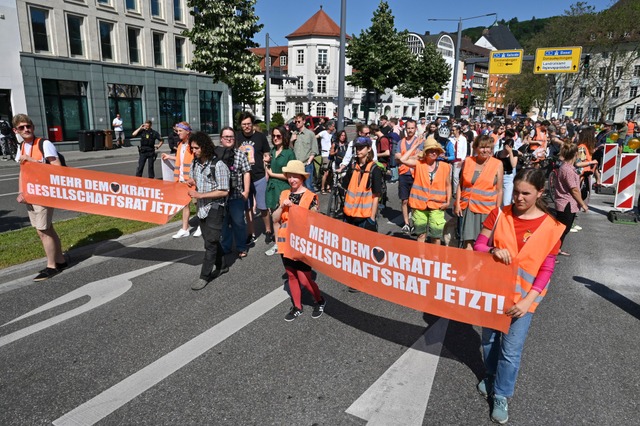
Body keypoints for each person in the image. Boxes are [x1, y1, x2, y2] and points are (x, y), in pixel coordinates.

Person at [473, 168, 565, 424]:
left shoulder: (551, 227)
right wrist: (492, 250)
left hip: (524, 299)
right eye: (516, 192)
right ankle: (491, 375)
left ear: (540, 193)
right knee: (489, 341)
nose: (519, 198)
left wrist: (528, 300)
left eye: (526, 193)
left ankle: (501, 394)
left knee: (511, 351)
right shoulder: (499, 213)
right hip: (493, 291)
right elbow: (478, 245)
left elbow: (547, 268)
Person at [14, 114, 67, 281]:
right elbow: (22, 172)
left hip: (44, 193)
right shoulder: (21, 146)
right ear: (16, 130)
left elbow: (57, 169)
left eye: (28, 126)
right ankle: (61, 260)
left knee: (43, 230)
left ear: (33, 127)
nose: (26, 129)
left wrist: (32, 160)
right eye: (21, 127)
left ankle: (51, 266)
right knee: (46, 229)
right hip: (30, 194)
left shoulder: (44, 144)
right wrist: (21, 191)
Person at [272, 160, 325, 321]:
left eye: (296, 176)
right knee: (291, 275)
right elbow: (275, 218)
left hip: (302, 243)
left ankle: (319, 300)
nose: (292, 179)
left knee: (303, 277)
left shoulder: (310, 197)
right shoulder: (284, 194)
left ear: (302, 177)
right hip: (285, 241)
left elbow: (314, 222)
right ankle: (297, 306)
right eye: (290, 176)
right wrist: (282, 207)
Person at [186, 131, 230, 291]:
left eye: (196, 148)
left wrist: (200, 194)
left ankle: (204, 276)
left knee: (210, 244)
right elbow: (195, 179)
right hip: (202, 208)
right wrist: (192, 181)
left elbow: (224, 191)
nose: (194, 151)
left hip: (215, 207)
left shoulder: (218, 165)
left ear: (204, 147)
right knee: (210, 240)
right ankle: (223, 264)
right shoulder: (195, 163)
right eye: (192, 148)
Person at [454, 135, 504, 250]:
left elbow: (499, 190)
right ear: (475, 148)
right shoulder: (468, 161)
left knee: (483, 244)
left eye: (488, 147)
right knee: (467, 242)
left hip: (487, 210)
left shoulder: (497, 164)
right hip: (468, 208)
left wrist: (497, 211)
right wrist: (457, 203)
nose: (485, 150)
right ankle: (468, 266)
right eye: (482, 147)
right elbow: (460, 185)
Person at [399, 136, 451, 245]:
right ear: (425, 152)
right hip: (419, 205)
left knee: (436, 237)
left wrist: (448, 202)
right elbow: (403, 159)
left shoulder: (445, 166)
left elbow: (448, 185)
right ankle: (421, 257)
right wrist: (415, 146)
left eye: (435, 150)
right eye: (430, 150)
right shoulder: (419, 164)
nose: (433, 153)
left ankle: (435, 258)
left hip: (437, 205)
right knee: (421, 235)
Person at [237, 112, 273, 244]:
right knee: (247, 207)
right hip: (243, 178)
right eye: (244, 124)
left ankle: (268, 230)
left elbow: (266, 153)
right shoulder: (237, 137)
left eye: (248, 124)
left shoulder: (260, 137)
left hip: (259, 176)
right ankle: (250, 233)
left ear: (252, 124)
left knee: (263, 207)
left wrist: (267, 166)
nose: (246, 126)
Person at [219, 127, 252, 259]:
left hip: (236, 195)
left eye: (231, 137)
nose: (229, 139)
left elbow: (246, 173)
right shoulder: (216, 154)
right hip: (220, 196)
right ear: (221, 138)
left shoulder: (240, 154)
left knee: (238, 222)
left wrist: (247, 191)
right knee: (223, 223)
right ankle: (225, 247)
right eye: (226, 137)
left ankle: (241, 247)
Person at [551, 143, 589, 256]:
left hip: (566, 202)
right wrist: (583, 204)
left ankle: (556, 250)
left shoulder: (567, 167)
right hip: (566, 203)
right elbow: (574, 190)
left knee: (564, 230)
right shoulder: (567, 169)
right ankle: (551, 253)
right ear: (575, 154)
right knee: (562, 230)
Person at [161, 122, 198, 238]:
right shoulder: (180, 145)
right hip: (181, 180)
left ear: (187, 132)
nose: (178, 133)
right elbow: (180, 159)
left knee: (197, 203)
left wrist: (195, 178)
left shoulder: (193, 145)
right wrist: (169, 157)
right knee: (184, 205)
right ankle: (185, 229)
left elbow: (198, 160)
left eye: (180, 131)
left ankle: (202, 226)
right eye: (177, 131)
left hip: (192, 180)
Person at [265, 126, 295, 256]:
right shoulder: (272, 151)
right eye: (273, 136)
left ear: (284, 137)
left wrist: (272, 174)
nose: (275, 138)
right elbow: (267, 171)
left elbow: (291, 175)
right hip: (272, 187)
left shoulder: (289, 153)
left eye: (278, 136)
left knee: (284, 217)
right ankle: (278, 243)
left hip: (283, 187)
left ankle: (288, 242)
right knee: (274, 217)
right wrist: (266, 163)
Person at [343, 136, 383, 232]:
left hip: (365, 218)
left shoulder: (374, 169)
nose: (358, 150)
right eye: (357, 148)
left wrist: (372, 219)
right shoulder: (353, 168)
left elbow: (376, 195)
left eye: (361, 148)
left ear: (369, 149)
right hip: (349, 216)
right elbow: (345, 187)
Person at [394, 119, 423, 234]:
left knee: (415, 201)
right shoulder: (401, 142)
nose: (410, 130)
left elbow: (420, 157)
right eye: (408, 128)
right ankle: (406, 223)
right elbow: (397, 156)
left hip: (416, 174)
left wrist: (404, 158)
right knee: (404, 200)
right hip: (403, 174)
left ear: (415, 129)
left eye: (412, 128)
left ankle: (416, 223)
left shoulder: (420, 141)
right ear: (405, 129)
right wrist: (410, 157)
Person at [290, 112, 317, 192]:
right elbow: (291, 149)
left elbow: (314, 150)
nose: (297, 123)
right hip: (297, 165)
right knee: (297, 187)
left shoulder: (310, 134)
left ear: (304, 121)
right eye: (296, 122)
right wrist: (291, 141)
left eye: (299, 121)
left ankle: (313, 203)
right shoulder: (295, 133)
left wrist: (309, 161)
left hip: (306, 164)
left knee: (309, 186)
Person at [494, 130, 519, 206]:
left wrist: (510, 152)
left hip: (508, 177)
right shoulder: (498, 153)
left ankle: (505, 215)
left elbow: (513, 165)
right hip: (498, 177)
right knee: (496, 199)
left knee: (506, 202)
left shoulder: (514, 153)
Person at [315, 120, 335, 193]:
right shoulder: (323, 133)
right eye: (333, 126)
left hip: (332, 154)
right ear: (329, 126)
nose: (334, 127)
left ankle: (328, 186)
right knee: (325, 172)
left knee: (330, 172)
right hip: (325, 155)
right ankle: (322, 188)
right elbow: (315, 137)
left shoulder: (332, 135)